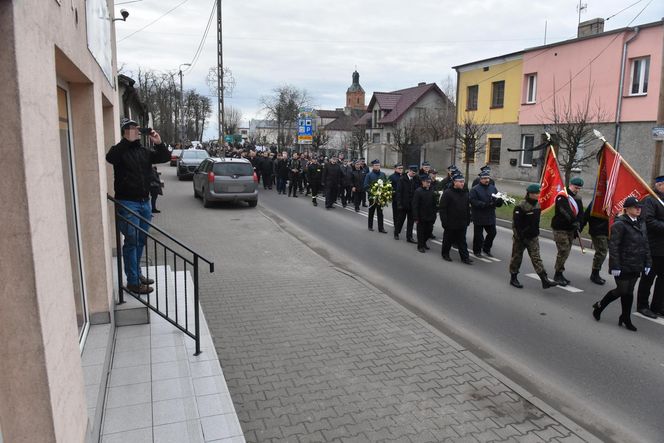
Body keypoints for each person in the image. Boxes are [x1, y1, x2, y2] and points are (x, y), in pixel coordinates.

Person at [106, 118, 170, 294]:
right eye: (131, 129)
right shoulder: (119, 151)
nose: (135, 131)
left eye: (136, 129)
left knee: (140, 240)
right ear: (124, 132)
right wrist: (126, 141)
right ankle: (133, 282)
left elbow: (164, 157)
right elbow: (110, 158)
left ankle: (137, 273)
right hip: (128, 203)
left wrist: (159, 143)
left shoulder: (144, 152)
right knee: (132, 241)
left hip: (145, 202)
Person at [592, 197, 651, 331]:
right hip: (623, 264)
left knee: (629, 291)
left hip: (636, 263)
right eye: (635, 207)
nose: (638, 209)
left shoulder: (641, 223)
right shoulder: (620, 224)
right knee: (622, 290)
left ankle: (625, 317)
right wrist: (615, 266)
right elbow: (614, 246)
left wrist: (648, 262)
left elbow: (645, 244)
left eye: (639, 207)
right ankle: (600, 306)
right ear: (627, 209)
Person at [509, 184, 558, 289]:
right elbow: (516, 224)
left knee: (536, 259)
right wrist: (520, 237)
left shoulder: (537, 205)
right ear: (530, 194)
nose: (538, 195)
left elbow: (535, 222)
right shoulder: (521, 206)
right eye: (536, 193)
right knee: (516, 258)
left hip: (533, 238)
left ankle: (544, 280)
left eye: (538, 193)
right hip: (520, 238)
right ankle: (513, 278)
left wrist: (535, 232)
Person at [636, 176, 664, 318]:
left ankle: (658, 306)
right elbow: (648, 221)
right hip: (653, 248)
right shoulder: (650, 199)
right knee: (648, 278)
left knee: (662, 280)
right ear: (659, 185)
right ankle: (642, 305)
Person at [551, 177, 584, 286]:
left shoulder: (578, 198)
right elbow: (564, 210)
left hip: (571, 229)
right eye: (576, 187)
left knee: (567, 251)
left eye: (579, 188)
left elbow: (580, 213)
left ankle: (560, 272)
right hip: (560, 228)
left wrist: (579, 225)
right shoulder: (562, 196)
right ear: (571, 185)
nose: (577, 190)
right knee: (563, 250)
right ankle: (557, 274)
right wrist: (573, 221)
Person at [439, 174, 472, 264]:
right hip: (450, 222)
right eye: (460, 182)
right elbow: (442, 208)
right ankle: (445, 254)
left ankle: (465, 258)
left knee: (462, 241)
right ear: (454, 182)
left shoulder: (465, 194)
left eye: (463, 181)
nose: (462, 183)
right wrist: (444, 221)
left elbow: (467, 208)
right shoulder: (448, 193)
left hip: (462, 222)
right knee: (448, 240)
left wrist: (468, 219)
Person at [469, 170, 502, 257]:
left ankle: (486, 248)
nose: (486, 180)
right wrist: (485, 204)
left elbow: (497, 198)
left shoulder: (492, 188)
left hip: (490, 215)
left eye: (487, 178)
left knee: (492, 233)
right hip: (479, 215)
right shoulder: (475, 189)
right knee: (478, 236)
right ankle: (477, 251)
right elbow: (473, 201)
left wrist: (500, 201)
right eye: (484, 178)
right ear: (480, 179)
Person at [583, 205, 609, 285]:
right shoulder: (597, 201)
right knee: (602, 251)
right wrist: (580, 226)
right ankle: (595, 274)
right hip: (597, 229)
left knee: (602, 252)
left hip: (607, 230)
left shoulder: (611, 199)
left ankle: (595, 273)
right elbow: (586, 215)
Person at [412, 176, 436, 253]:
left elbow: (434, 204)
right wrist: (416, 217)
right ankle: (420, 246)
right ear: (423, 182)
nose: (428, 184)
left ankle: (424, 242)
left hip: (430, 216)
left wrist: (434, 214)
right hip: (421, 216)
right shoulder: (418, 191)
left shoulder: (432, 191)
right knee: (421, 232)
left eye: (429, 182)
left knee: (429, 231)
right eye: (427, 182)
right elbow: (415, 205)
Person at [394, 165, 418, 242]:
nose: (413, 174)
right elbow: (399, 192)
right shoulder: (402, 179)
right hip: (403, 204)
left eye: (415, 173)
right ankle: (396, 233)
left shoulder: (416, 179)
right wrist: (399, 204)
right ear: (409, 171)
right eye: (412, 173)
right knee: (400, 220)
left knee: (410, 222)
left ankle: (409, 237)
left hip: (412, 205)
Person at [364, 159, 388, 233]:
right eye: (376, 165)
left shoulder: (383, 174)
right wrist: (372, 192)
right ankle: (370, 226)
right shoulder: (369, 175)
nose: (377, 167)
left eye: (378, 165)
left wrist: (385, 192)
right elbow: (365, 186)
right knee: (371, 212)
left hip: (380, 197)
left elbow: (386, 184)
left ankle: (381, 228)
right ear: (373, 166)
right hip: (372, 197)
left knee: (380, 213)